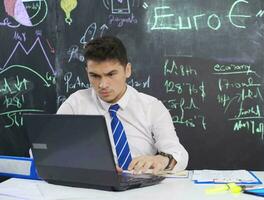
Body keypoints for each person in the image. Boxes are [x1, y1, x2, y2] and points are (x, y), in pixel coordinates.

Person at [57, 36, 188, 174]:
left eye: (111, 74)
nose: (103, 85)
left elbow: (178, 153)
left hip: (140, 187)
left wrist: (162, 160)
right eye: (94, 76)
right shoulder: (76, 103)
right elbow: (47, 148)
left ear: (127, 70)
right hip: (92, 186)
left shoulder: (151, 107)